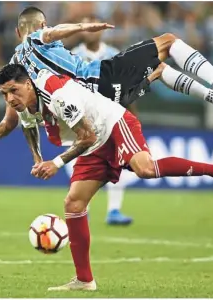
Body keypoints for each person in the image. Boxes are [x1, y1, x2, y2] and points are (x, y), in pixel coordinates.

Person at [0, 64, 213, 291]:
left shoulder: (57, 95)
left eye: (13, 91)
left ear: (28, 83)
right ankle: (84, 280)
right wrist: (37, 159)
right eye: (4, 94)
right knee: (74, 204)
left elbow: (87, 136)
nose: (10, 98)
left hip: (112, 124)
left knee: (144, 168)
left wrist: (56, 163)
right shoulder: (24, 102)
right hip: (91, 144)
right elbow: (28, 126)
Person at [8, 6, 213, 112]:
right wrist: (83, 26)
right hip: (100, 79)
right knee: (168, 41)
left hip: (87, 105)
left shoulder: (14, 66)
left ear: (17, 31)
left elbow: (19, 109)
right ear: (41, 25)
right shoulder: (37, 37)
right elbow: (53, 32)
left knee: (158, 67)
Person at [72, 15, 133, 225]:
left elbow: (126, 88)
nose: (91, 31)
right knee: (84, 164)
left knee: (118, 161)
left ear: (101, 29)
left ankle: (114, 210)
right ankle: (82, 209)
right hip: (82, 120)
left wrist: (131, 114)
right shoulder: (73, 55)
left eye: (94, 27)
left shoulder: (114, 56)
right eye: (87, 27)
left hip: (111, 116)